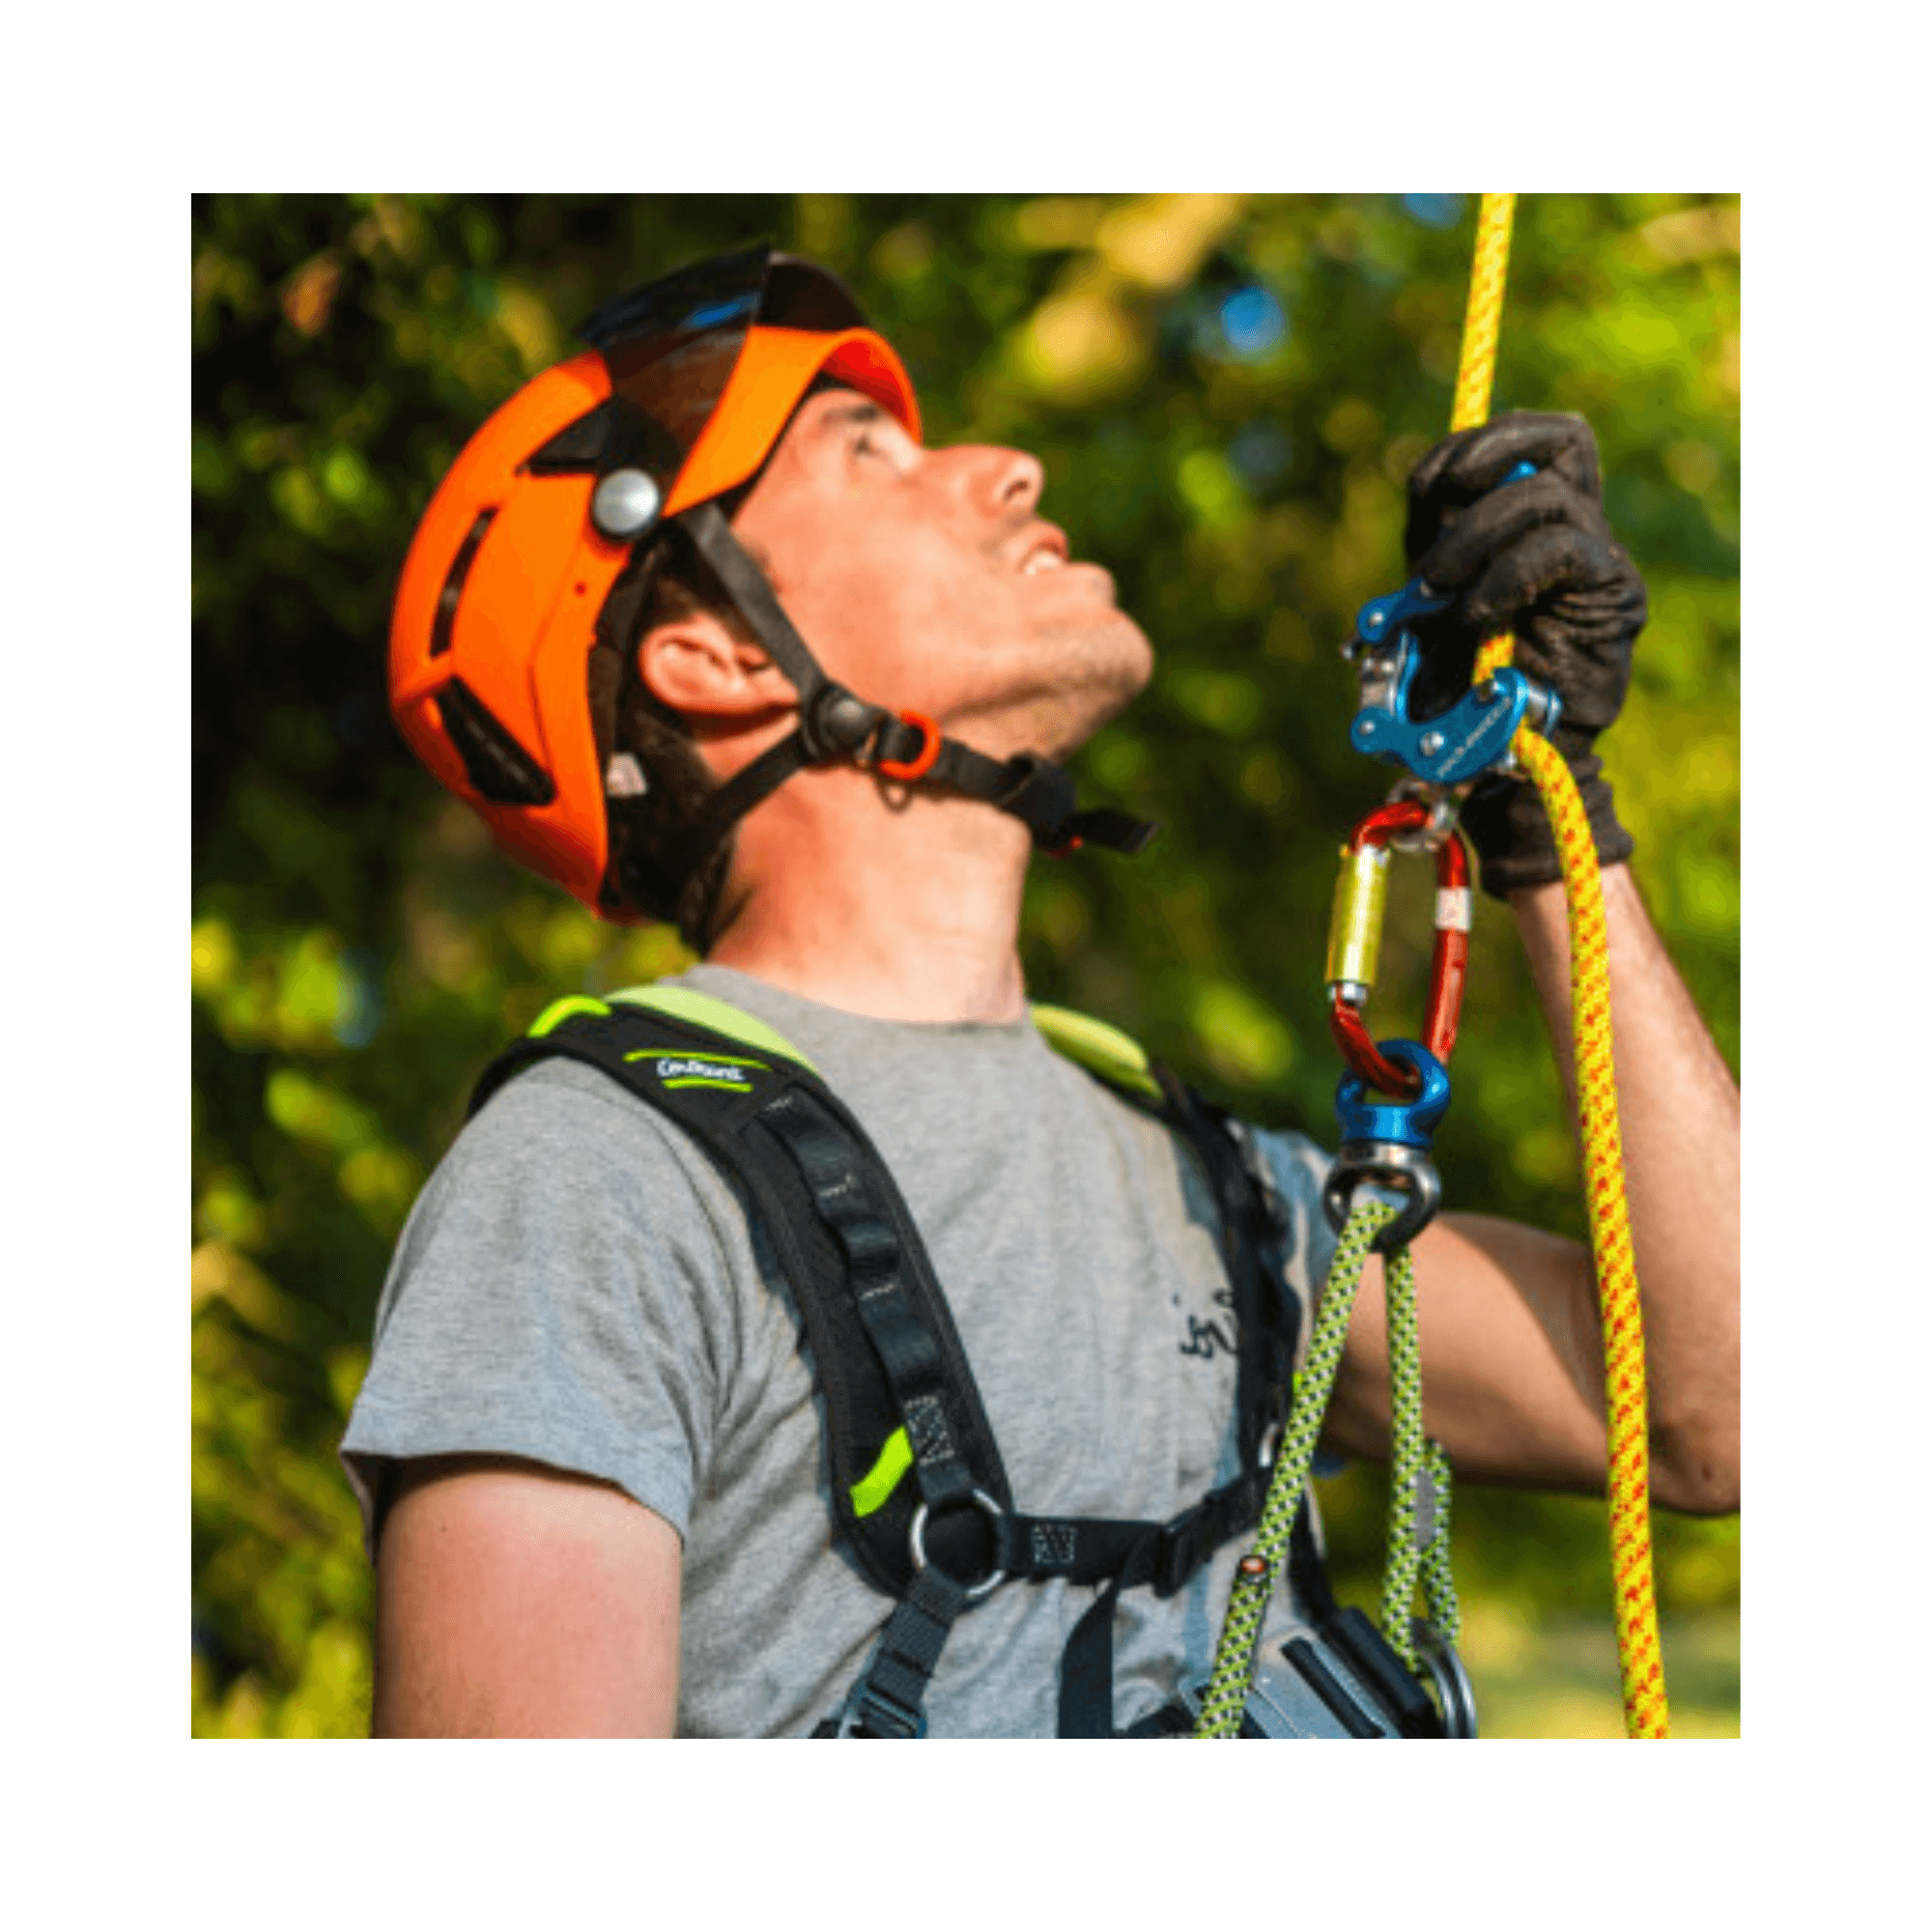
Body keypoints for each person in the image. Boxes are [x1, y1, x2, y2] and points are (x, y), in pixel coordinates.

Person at [342, 243, 1740, 1739]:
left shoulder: (1203, 1179)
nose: (1007, 468)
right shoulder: (594, 1185)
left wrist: (1547, 814)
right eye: (869, 456)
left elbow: (1716, 1416)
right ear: (716, 656)